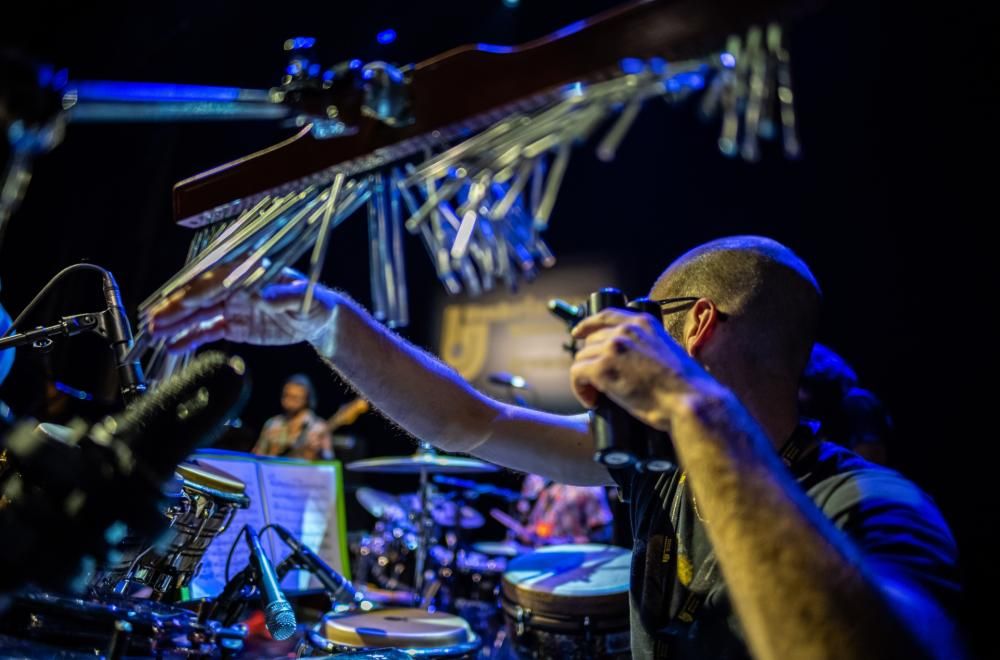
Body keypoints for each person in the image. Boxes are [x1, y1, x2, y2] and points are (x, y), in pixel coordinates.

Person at [149, 236, 963, 659]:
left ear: (696, 326)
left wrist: (686, 400)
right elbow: (468, 423)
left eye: (648, 317)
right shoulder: (661, 462)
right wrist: (324, 317)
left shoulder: (875, 505)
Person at [252, 373, 333, 461]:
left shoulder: (319, 426)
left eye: (295, 398)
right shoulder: (272, 423)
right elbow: (257, 455)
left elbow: (329, 458)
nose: (289, 401)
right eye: (286, 395)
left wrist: (318, 452)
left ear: (306, 399)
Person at [517, 473, 614, 545]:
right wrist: (529, 531)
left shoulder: (588, 481)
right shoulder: (536, 477)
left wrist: (583, 539)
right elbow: (526, 517)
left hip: (576, 553)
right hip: (542, 551)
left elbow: (600, 528)